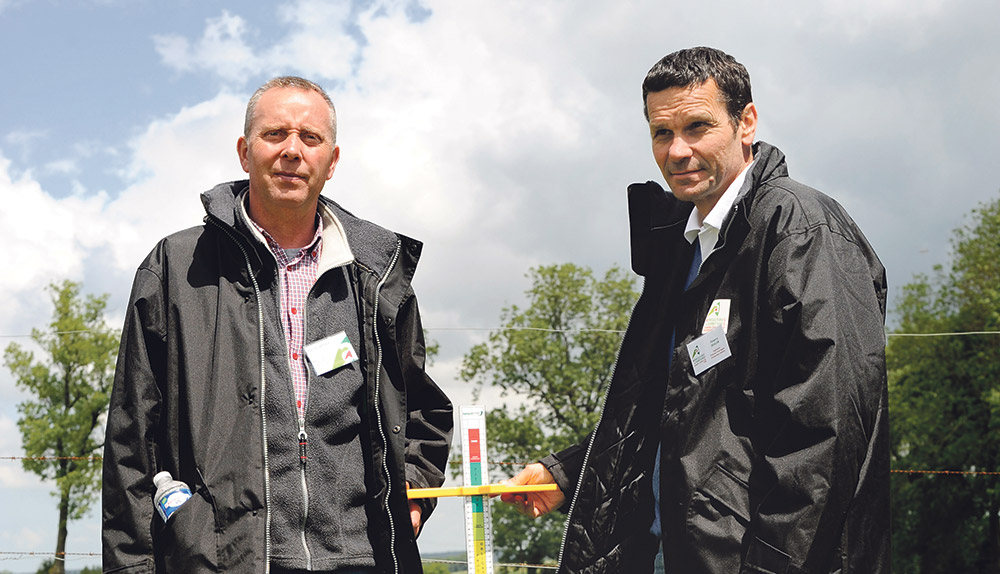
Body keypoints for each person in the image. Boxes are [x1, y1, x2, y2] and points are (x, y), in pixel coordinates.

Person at [502, 47, 890, 573]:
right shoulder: (684, 246)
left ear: (746, 121)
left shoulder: (800, 230)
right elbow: (682, 412)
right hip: (668, 554)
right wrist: (569, 470)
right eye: (662, 133)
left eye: (697, 127)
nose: (678, 151)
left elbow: (824, 440)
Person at [102, 76, 453, 574]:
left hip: (361, 557)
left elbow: (422, 406)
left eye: (310, 138)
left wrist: (412, 494)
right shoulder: (177, 267)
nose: (292, 150)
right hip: (224, 557)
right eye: (275, 135)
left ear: (331, 163)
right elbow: (130, 439)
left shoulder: (376, 275)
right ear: (245, 152)